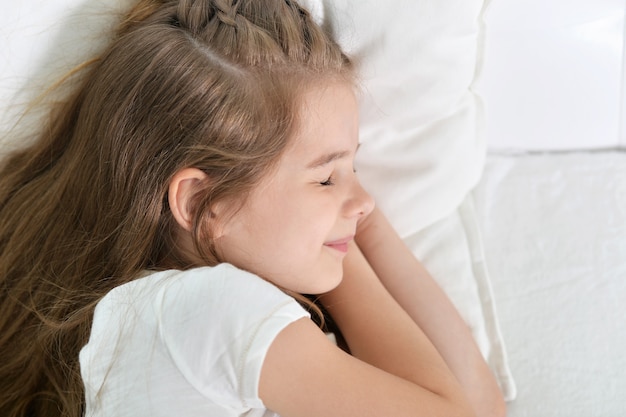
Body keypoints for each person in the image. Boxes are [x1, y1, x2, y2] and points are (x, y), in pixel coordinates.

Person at [0, 1, 506, 416]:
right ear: (201, 201)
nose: (366, 201)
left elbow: (479, 408)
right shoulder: (212, 311)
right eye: (326, 176)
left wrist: (339, 209)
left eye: (356, 165)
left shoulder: (163, 320)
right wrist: (339, 242)